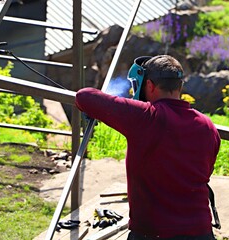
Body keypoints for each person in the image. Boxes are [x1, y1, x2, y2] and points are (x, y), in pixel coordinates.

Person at [75, 55, 220, 240]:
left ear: (150, 85)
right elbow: (206, 171)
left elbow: (84, 96)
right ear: (180, 87)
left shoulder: (145, 116)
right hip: (200, 232)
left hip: (152, 233)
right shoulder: (208, 125)